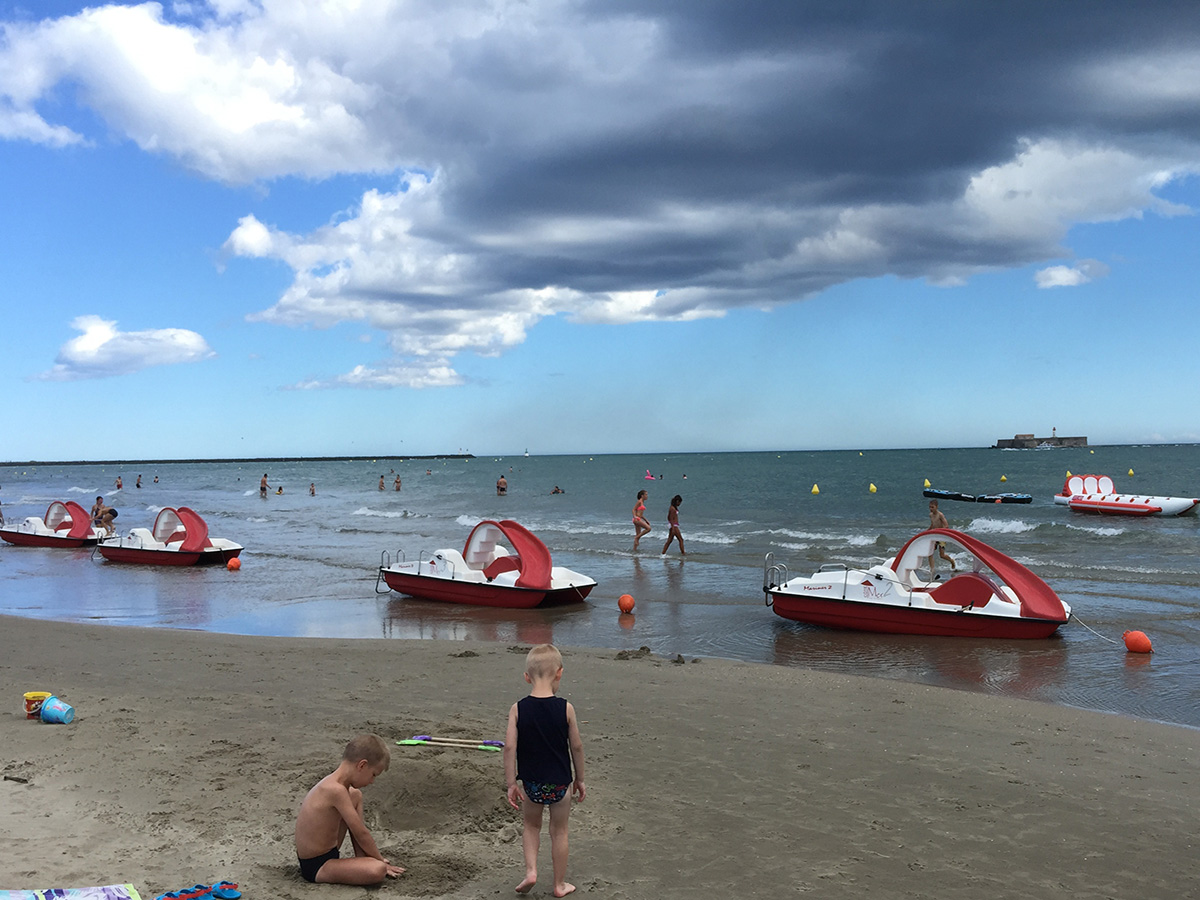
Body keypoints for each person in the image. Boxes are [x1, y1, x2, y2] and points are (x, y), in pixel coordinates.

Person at [504, 644, 586, 897]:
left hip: (531, 783)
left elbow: (509, 747)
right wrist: (580, 779)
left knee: (531, 826)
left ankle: (531, 871)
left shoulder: (518, 709)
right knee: (559, 831)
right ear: (559, 673)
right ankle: (559, 885)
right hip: (560, 783)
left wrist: (511, 783)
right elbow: (577, 746)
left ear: (527, 677)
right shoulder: (566, 708)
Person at [294, 734, 405, 885]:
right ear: (361, 765)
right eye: (373, 775)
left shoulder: (343, 790)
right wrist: (380, 861)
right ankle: (369, 862)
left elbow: (357, 832)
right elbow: (361, 832)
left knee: (355, 795)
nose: (372, 781)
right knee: (378, 869)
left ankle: (362, 858)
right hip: (317, 866)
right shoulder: (334, 790)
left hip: (330, 854)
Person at [927, 500, 956, 573]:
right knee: (930, 553)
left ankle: (952, 561)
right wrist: (927, 531)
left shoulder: (940, 515)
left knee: (942, 555)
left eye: (932, 507)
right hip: (934, 536)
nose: (931, 509)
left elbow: (946, 525)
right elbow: (932, 524)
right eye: (930, 507)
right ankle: (932, 570)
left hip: (941, 536)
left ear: (936, 507)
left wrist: (940, 531)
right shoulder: (930, 515)